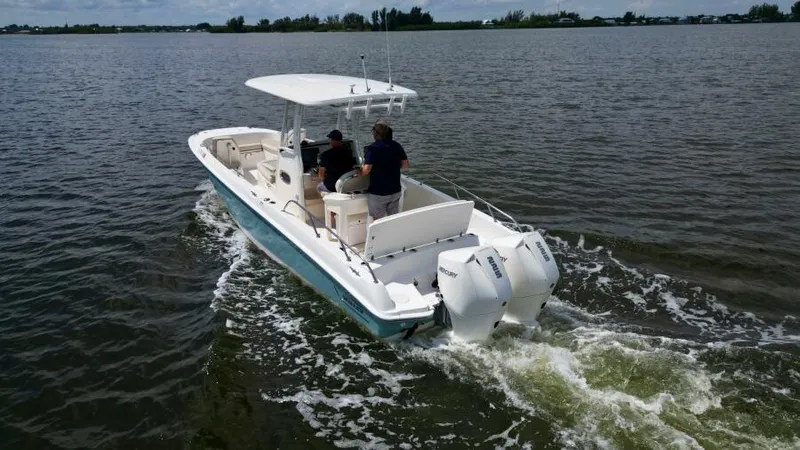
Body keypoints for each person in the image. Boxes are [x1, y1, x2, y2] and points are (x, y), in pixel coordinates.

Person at [360, 120, 409, 221]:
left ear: (375, 133)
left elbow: (365, 171)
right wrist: (390, 165)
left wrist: (358, 171)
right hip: (395, 190)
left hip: (378, 193)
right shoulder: (396, 145)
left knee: (377, 220)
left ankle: (378, 236)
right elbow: (405, 165)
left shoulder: (372, 149)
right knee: (392, 219)